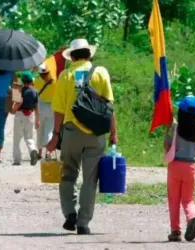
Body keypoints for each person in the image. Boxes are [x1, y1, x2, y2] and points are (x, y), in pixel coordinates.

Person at [47, 38, 118, 235]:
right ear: (89, 54)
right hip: (95, 134)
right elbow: (109, 106)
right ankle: (83, 223)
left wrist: (55, 135)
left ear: (72, 56)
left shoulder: (65, 75)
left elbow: (59, 109)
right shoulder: (101, 72)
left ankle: (70, 213)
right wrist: (114, 133)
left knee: (68, 174)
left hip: (71, 132)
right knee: (90, 178)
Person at [164, 95, 195, 242]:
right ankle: (192, 217)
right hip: (191, 167)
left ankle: (175, 231)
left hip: (175, 166)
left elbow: (167, 146)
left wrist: (168, 130)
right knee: (188, 200)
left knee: (174, 200)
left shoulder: (175, 127)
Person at [11, 71, 40, 166]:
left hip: (20, 115)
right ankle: (33, 150)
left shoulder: (18, 89)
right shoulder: (35, 91)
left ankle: (17, 160)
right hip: (30, 115)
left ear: (22, 81)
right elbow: (36, 106)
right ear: (31, 80)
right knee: (29, 137)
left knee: (17, 139)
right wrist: (37, 119)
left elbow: (18, 103)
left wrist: (13, 110)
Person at [34, 64, 57, 159]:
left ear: (39, 74)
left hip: (41, 107)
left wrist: (32, 70)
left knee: (40, 130)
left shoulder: (37, 82)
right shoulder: (55, 82)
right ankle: (48, 152)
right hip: (52, 107)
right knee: (49, 130)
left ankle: (39, 152)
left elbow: (26, 79)